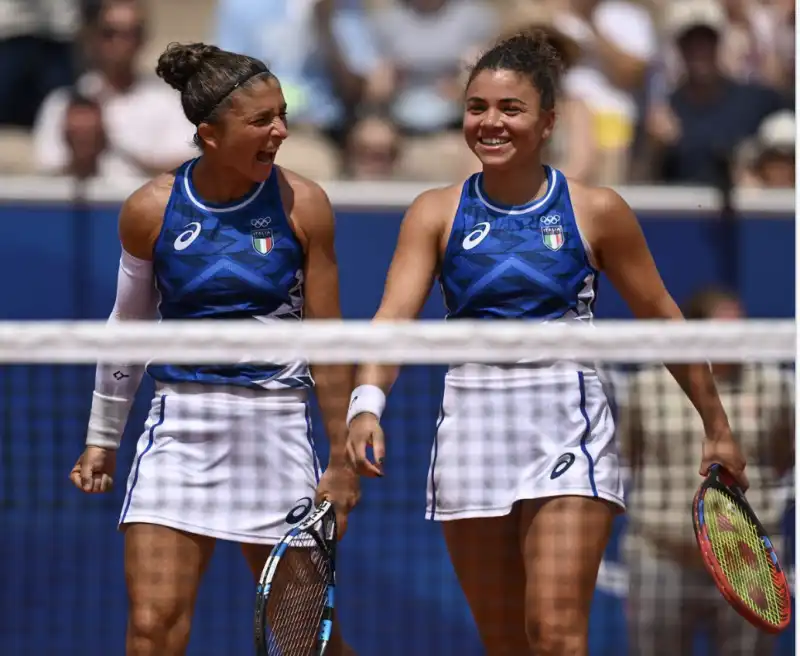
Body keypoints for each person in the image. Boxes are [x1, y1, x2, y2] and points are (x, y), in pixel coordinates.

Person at [345, 31, 748, 656]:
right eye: (477, 107)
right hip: (471, 431)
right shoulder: (434, 212)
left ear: (549, 120)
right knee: (506, 642)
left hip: (567, 423)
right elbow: (392, 320)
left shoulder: (597, 210)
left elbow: (665, 318)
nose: (490, 122)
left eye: (510, 108)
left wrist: (716, 425)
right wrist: (365, 403)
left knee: (556, 635)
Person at [68, 42, 359, 656]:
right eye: (261, 121)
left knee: (306, 643)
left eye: (282, 114)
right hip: (180, 432)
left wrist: (341, 459)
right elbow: (128, 327)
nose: (280, 130)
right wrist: (102, 437)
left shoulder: (304, 205)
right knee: (152, 628)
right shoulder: (151, 209)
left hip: (276, 429)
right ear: (210, 134)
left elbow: (330, 341)